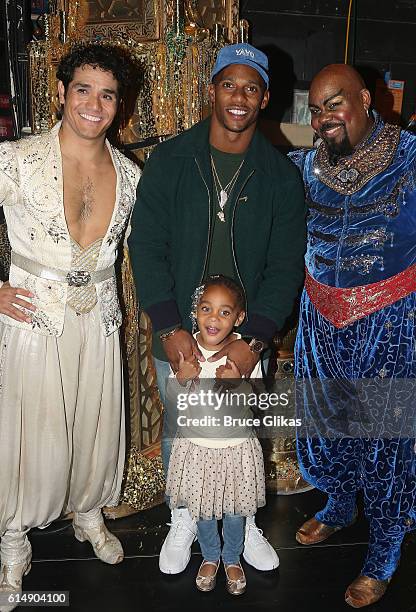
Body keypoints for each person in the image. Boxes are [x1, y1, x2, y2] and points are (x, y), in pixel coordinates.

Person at [129, 42, 306, 574]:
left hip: (245, 340)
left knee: (239, 435)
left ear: (265, 98)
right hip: (182, 332)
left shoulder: (280, 176)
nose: (239, 97)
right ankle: (183, 515)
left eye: (251, 88)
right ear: (211, 90)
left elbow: (285, 266)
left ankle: (243, 523)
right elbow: (146, 245)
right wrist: (169, 329)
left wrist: (252, 343)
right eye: (229, 84)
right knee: (182, 432)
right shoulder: (171, 160)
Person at [0, 43, 141, 606]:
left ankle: (86, 511)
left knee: (95, 425)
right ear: (60, 93)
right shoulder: (15, 159)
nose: (94, 104)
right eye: (83, 89)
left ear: (119, 105)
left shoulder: (130, 175)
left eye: (107, 94)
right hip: (34, 317)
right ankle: (12, 539)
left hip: (100, 317)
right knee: (26, 433)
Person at [290, 64, 416, 608]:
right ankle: (339, 505)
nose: (323, 119)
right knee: (325, 425)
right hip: (318, 319)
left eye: (335, 104)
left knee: (385, 440)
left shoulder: (410, 158)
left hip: (388, 321)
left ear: (366, 99)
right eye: (316, 110)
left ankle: (385, 548)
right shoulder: (304, 167)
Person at [166, 274, 266, 595]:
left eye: (225, 312)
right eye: (207, 309)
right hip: (196, 449)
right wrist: (181, 379)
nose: (214, 318)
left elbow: (259, 402)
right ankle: (209, 555)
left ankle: (232, 557)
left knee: (235, 510)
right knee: (203, 511)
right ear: (195, 311)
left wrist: (240, 383)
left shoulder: (245, 357)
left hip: (236, 449)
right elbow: (174, 405)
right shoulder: (186, 353)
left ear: (239, 318)